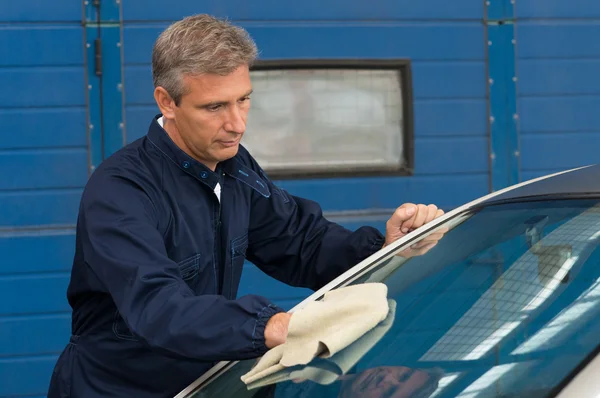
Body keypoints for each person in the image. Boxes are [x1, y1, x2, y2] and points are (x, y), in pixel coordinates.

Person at [47, 14, 445, 398]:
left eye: (244, 100)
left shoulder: (234, 168)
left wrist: (384, 248)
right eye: (215, 107)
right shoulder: (121, 191)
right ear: (167, 102)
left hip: (205, 386)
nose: (237, 123)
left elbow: (300, 242)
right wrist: (267, 326)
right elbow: (159, 308)